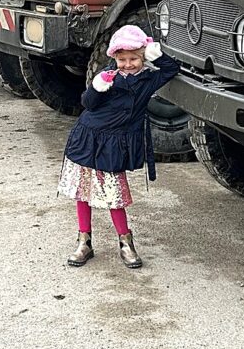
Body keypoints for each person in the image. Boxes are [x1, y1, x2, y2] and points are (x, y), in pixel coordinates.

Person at [58, 24, 180, 269]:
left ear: (143, 57)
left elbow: (171, 70)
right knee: (82, 191)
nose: (128, 64)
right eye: (122, 59)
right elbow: (87, 104)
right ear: (114, 57)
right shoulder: (108, 76)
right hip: (88, 137)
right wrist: (97, 87)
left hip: (114, 145)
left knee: (115, 195)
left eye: (134, 58)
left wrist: (159, 55)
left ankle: (126, 243)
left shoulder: (148, 78)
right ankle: (84, 241)